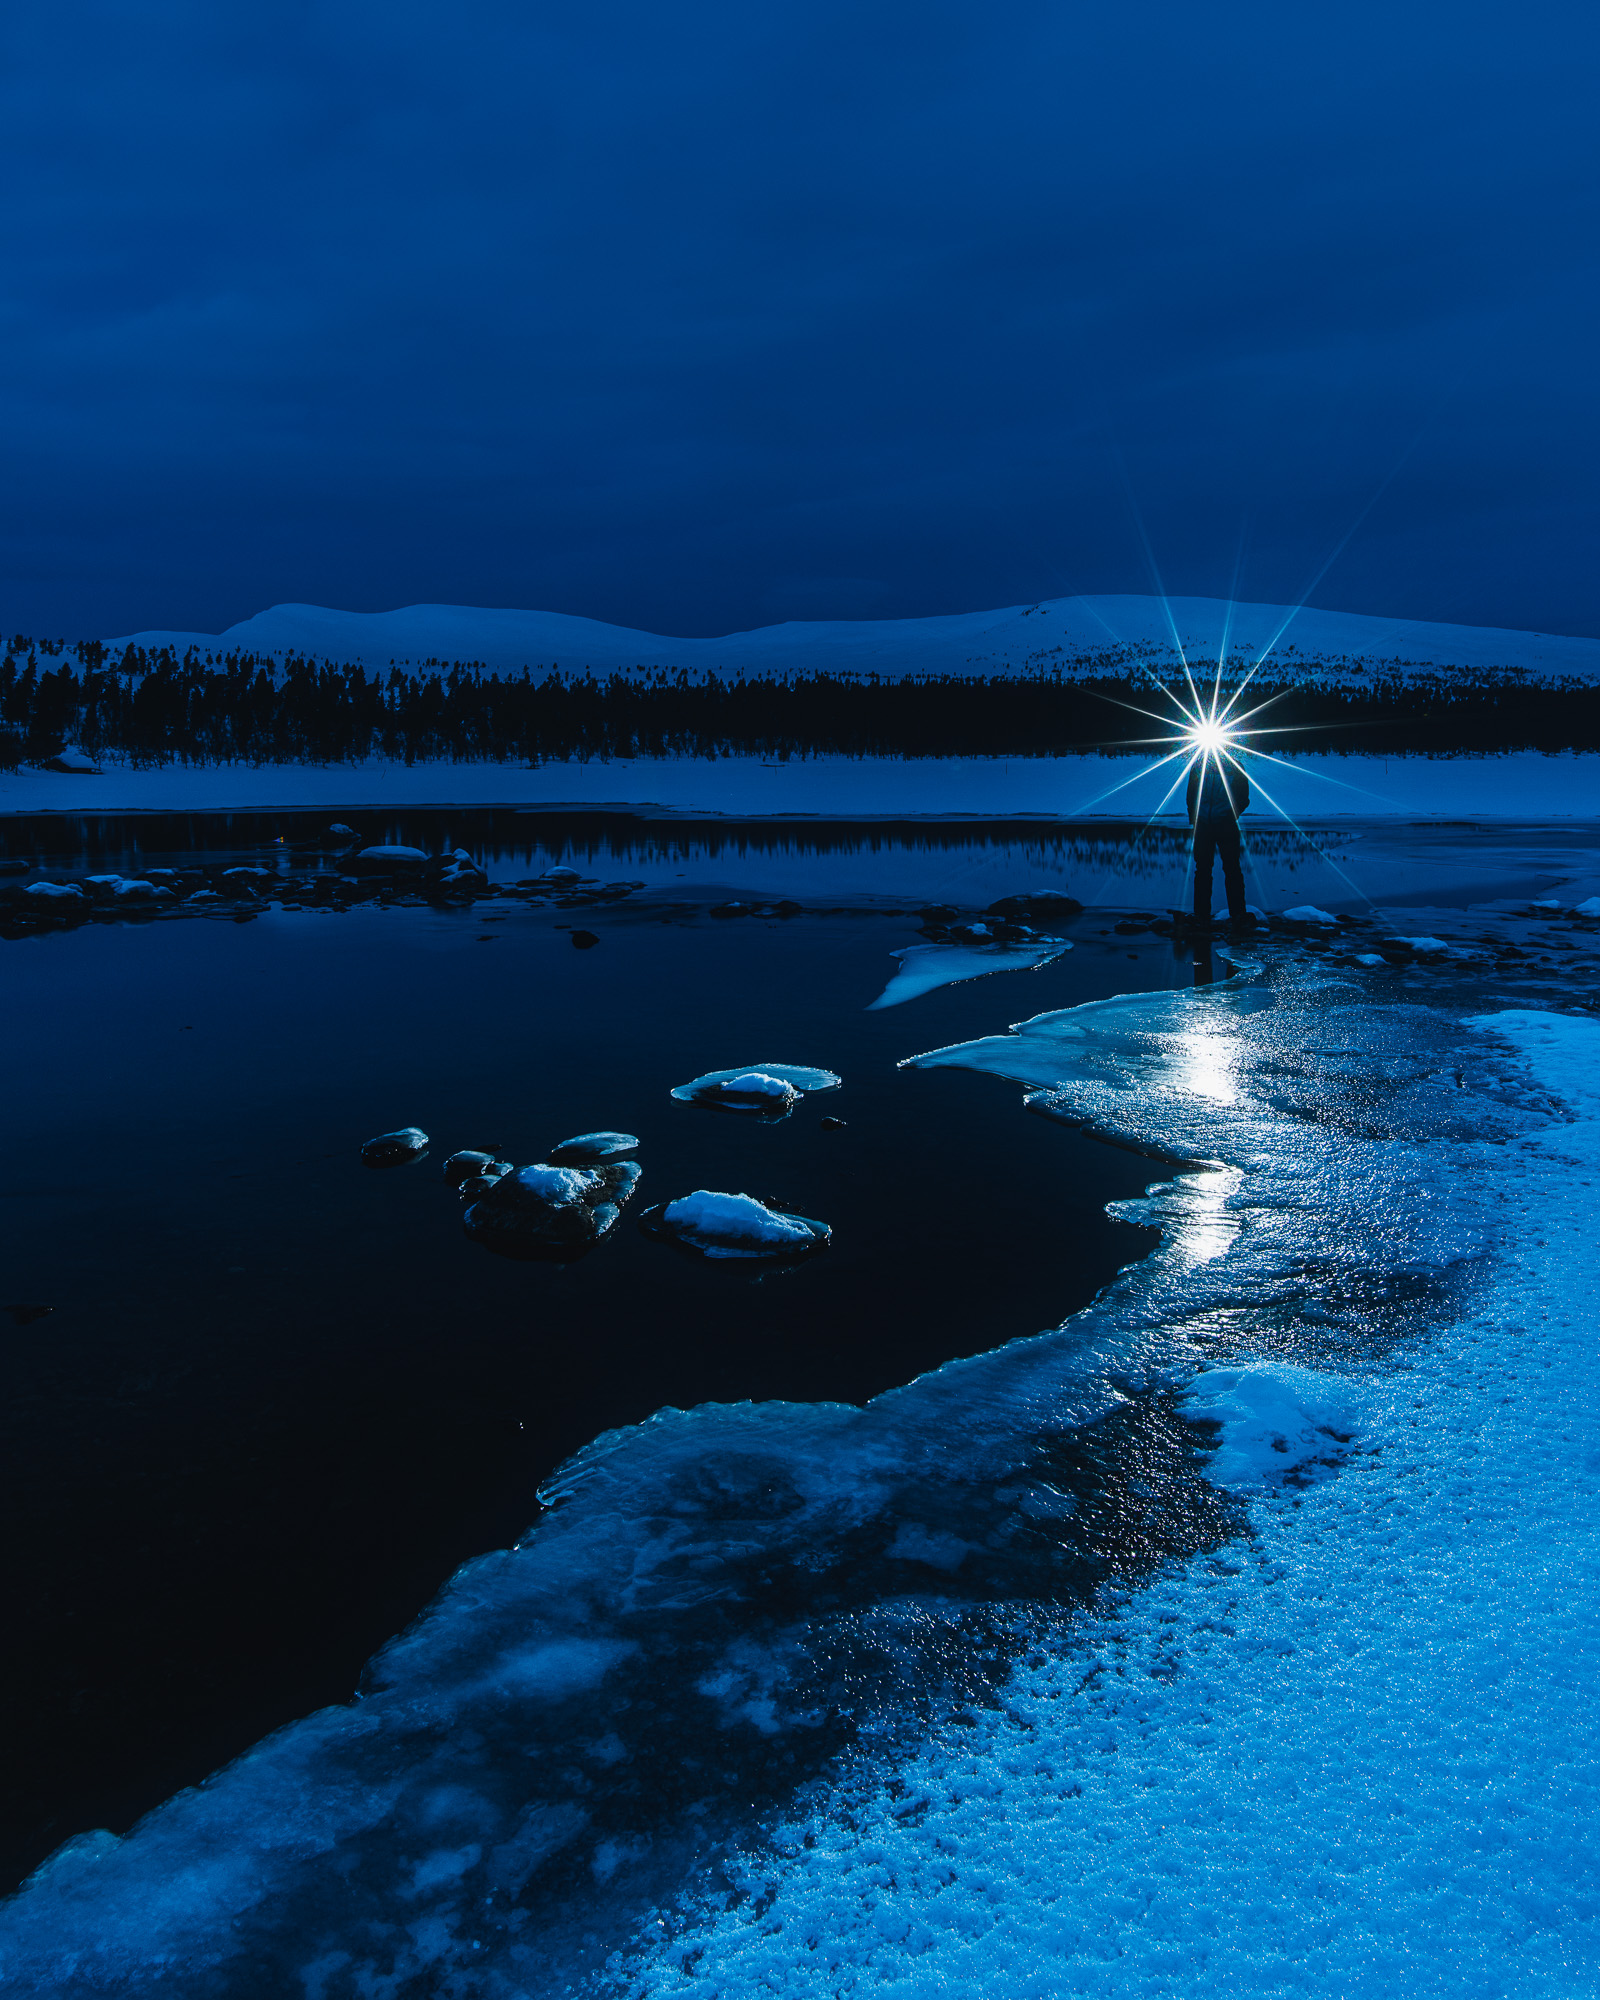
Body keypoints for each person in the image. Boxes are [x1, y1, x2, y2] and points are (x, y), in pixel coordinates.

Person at [1185, 754, 1249, 927]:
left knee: (1232, 869)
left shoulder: (1235, 767)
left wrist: (1229, 815)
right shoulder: (1198, 767)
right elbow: (1191, 795)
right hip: (1203, 826)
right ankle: (1201, 915)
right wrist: (1195, 819)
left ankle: (1238, 914)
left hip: (1226, 825)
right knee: (1203, 871)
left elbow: (1244, 798)